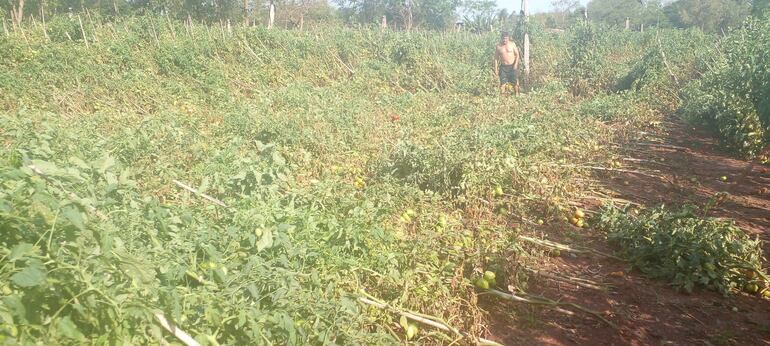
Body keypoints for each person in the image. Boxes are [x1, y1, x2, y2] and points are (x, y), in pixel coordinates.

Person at [494, 31, 520, 96]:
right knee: (502, 83)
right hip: (503, 67)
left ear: (508, 38)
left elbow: (517, 55)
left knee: (515, 82)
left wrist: (516, 64)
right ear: (501, 38)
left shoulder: (512, 44)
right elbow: (496, 59)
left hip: (512, 66)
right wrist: (496, 69)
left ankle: (516, 94)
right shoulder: (498, 46)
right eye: (503, 38)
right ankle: (502, 97)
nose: (504, 40)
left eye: (506, 38)